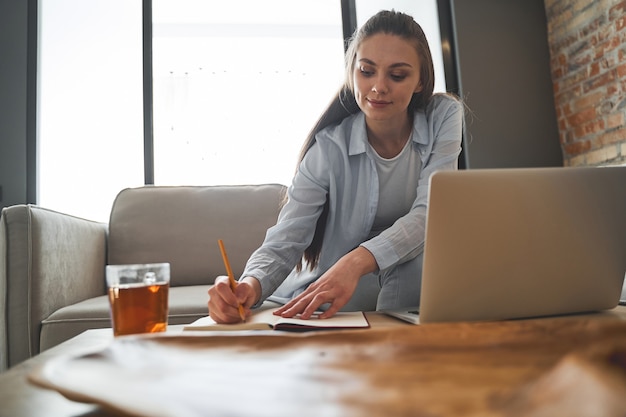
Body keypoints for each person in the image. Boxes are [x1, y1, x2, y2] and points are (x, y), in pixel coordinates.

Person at [208, 9, 464, 323]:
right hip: (341, 294)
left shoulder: (443, 116)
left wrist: (356, 261)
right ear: (351, 72)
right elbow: (288, 237)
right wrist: (249, 284)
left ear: (421, 80)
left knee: (418, 262)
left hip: (409, 285)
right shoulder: (328, 148)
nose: (378, 86)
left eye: (397, 75)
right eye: (367, 71)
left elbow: (429, 214)